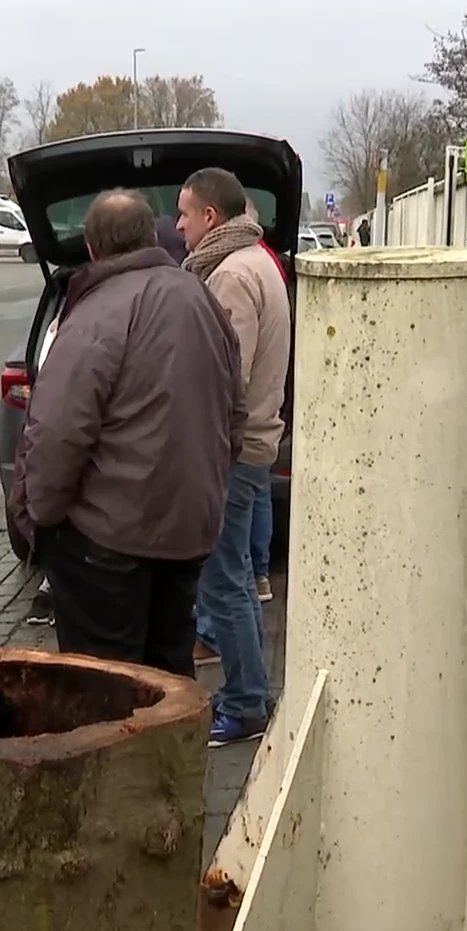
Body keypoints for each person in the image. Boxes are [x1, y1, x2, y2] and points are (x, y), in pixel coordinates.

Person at [8, 189, 243, 677]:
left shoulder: (97, 312)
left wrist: (39, 519)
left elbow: (56, 433)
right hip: (187, 533)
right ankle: (174, 753)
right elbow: (234, 411)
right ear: (148, 236)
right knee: (168, 677)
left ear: (93, 249)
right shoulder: (202, 297)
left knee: (105, 692)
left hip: (107, 545)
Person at [178, 168, 291, 747]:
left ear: (211, 218)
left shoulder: (230, 277)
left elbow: (228, 380)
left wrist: (200, 449)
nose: (178, 227)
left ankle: (247, 704)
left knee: (225, 584)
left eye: (184, 214)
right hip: (252, 446)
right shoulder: (258, 262)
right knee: (236, 581)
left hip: (234, 453)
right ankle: (246, 695)